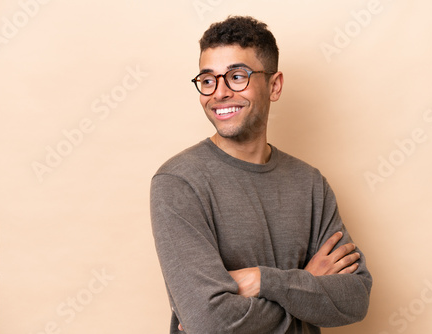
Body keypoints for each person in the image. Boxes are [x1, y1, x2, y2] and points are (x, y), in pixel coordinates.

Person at [150, 16, 372, 334]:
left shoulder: (310, 184)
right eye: (208, 80)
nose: (220, 93)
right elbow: (209, 322)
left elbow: (355, 299)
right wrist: (306, 285)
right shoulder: (179, 183)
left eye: (237, 76)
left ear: (274, 85)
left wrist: (260, 280)